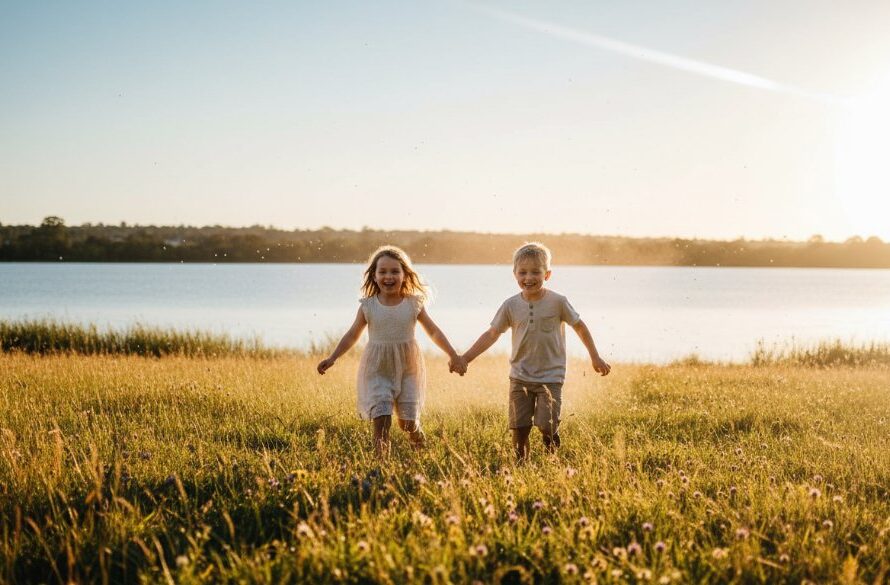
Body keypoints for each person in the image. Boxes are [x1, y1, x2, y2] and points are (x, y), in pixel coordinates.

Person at [454, 242, 610, 461]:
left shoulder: (558, 302)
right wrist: (465, 358)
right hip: (520, 376)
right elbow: (492, 334)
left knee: (547, 425)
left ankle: (552, 454)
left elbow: (580, 326)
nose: (529, 278)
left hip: (551, 377)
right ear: (515, 274)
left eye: (536, 272)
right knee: (519, 428)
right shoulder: (510, 305)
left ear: (547, 274)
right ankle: (521, 465)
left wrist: (595, 356)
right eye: (523, 272)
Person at [317, 245, 465, 457]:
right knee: (382, 418)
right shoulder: (368, 306)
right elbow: (352, 335)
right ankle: (381, 465)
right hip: (378, 368)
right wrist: (332, 358)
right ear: (374, 276)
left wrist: (453, 355)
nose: (389, 276)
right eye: (383, 271)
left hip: (408, 368)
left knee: (407, 422)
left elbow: (433, 331)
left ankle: (418, 439)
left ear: (405, 275)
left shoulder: (413, 304)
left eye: (395, 271)